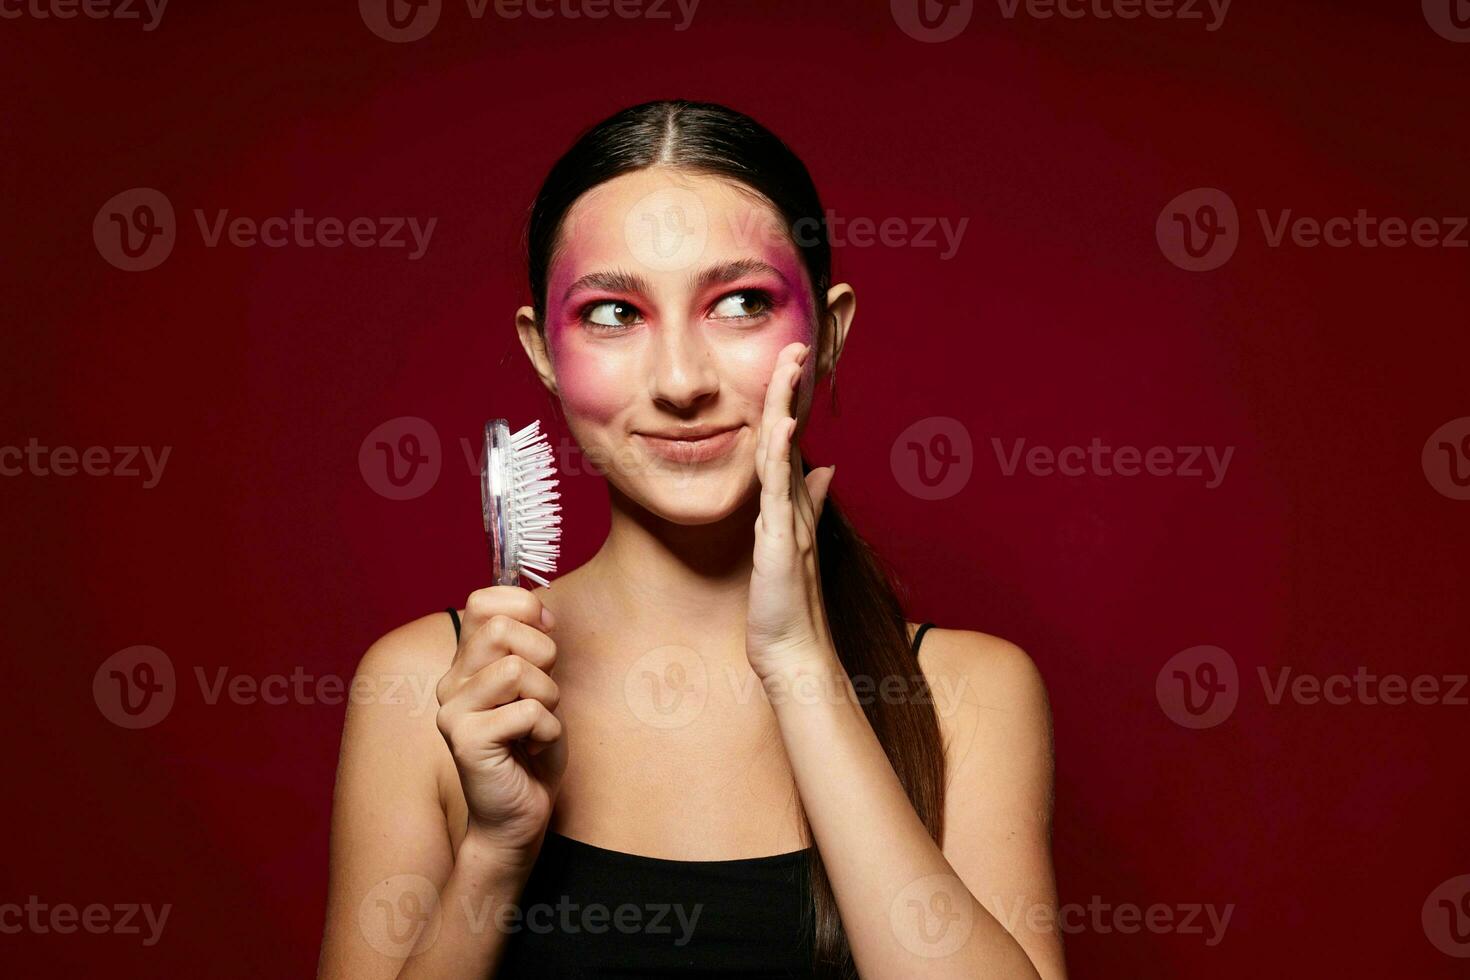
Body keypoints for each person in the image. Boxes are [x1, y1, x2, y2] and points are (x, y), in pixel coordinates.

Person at [318, 99, 1064, 979]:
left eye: (741, 303)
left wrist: (798, 665)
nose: (680, 381)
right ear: (543, 352)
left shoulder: (968, 698)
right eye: (613, 314)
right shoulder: (429, 689)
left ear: (827, 335)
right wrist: (495, 849)